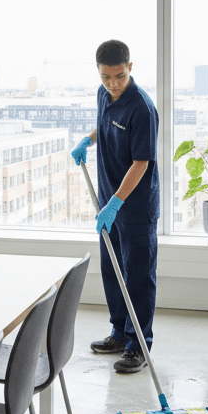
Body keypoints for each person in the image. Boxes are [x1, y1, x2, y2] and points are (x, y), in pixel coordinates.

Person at [72, 40, 160, 374]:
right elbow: (107, 124)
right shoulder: (103, 94)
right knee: (112, 272)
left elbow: (140, 163)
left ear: (130, 68)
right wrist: (88, 140)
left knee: (137, 277)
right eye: (106, 76)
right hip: (109, 202)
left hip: (134, 206)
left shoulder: (142, 108)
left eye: (119, 76)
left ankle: (139, 346)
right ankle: (120, 333)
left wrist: (115, 204)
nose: (113, 83)